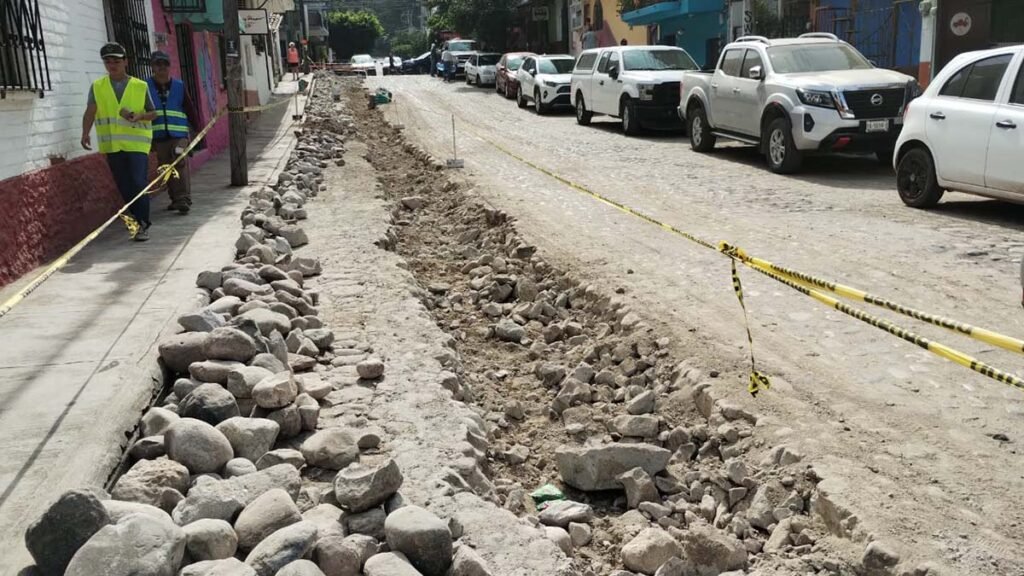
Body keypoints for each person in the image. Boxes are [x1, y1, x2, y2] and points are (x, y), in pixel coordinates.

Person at [81, 42, 156, 242]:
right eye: (108, 61)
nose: (112, 65)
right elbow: (91, 110)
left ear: (125, 62)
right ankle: (136, 216)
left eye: (116, 61)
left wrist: (138, 116)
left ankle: (143, 223)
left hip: (137, 144)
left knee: (138, 182)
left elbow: (153, 112)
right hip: (112, 145)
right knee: (124, 184)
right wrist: (85, 132)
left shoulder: (140, 86)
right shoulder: (98, 86)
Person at [147, 51, 200, 215]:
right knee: (166, 167)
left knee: (179, 162)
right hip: (159, 137)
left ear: (169, 67)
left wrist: (198, 128)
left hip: (179, 136)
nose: (162, 68)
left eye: (165, 64)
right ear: (152, 67)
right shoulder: (145, 87)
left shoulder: (179, 86)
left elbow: (190, 108)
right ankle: (175, 199)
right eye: (158, 65)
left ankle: (183, 198)